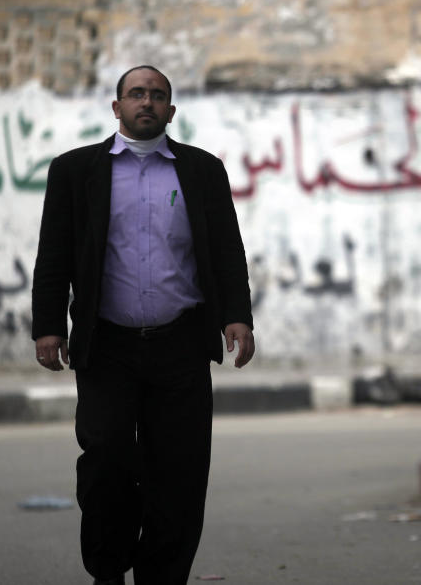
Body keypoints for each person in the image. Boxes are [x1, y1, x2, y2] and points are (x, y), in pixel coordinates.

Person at [31, 64, 255, 585]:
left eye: (157, 95)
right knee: (107, 461)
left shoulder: (202, 171)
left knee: (179, 473)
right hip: (107, 345)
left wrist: (237, 316)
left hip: (180, 345)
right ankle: (107, 571)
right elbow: (54, 254)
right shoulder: (74, 171)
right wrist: (48, 326)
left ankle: (162, 576)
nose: (146, 102)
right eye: (136, 94)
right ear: (116, 108)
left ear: (171, 111)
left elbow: (226, 250)